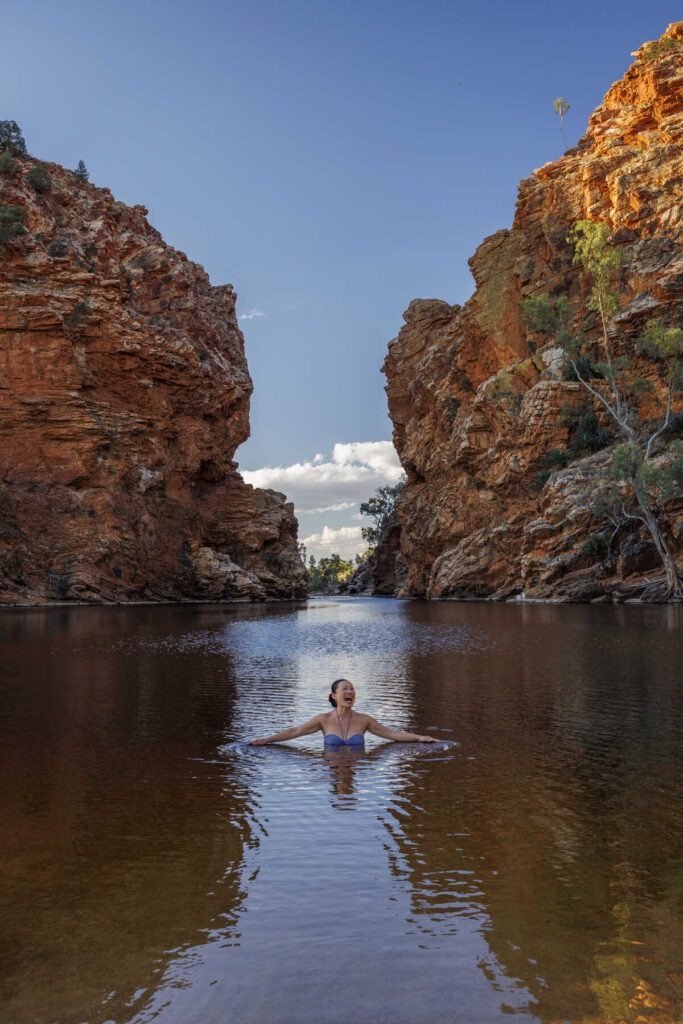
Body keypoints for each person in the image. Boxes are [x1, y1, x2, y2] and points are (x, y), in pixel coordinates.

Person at [248, 678, 437, 746]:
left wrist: (419, 738)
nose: (350, 692)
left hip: (357, 762)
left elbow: (390, 734)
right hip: (331, 763)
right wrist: (267, 740)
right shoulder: (323, 719)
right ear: (334, 696)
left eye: (352, 689)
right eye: (345, 689)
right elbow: (296, 731)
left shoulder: (365, 720)